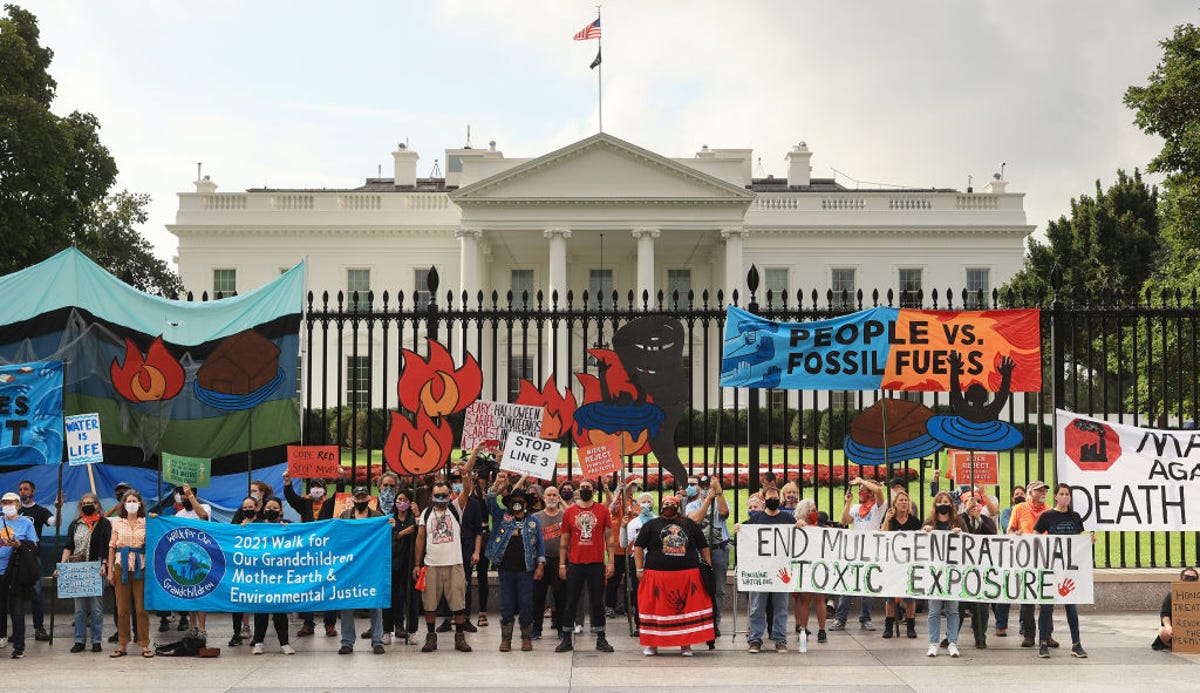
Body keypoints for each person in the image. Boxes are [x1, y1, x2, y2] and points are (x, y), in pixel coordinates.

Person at [414, 444, 480, 653]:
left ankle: (459, 637)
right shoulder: (426, 513)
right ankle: (431, 636)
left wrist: (465, 473)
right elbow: (420, 539)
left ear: (449, 494)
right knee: (430, 604)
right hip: (431, 565)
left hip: (454, 564)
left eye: (444, 494)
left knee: (458, 602)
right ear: (432, 495)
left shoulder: (455, 508)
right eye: (437, 495)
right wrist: (417, 564)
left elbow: (467, 491)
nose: (441, 498)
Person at [633, 494, 714, 656]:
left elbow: (703, 545)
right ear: (661, 506)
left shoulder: (689, 524)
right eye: (666, 503)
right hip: (657, 576)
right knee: (654, 609)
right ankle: (651, 644)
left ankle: (686, 644)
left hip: (686, 576)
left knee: (685, 610)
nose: (669, 505)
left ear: (678, 507)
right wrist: (639, 569)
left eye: (672, 503)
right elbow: (638, 547)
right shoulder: (651, 524)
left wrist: (708, 564)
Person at [486, 474, 545, 652]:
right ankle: (506, 638)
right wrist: (496, 485)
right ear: (509, 503)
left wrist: (540, 565)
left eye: (520, 501)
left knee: (526, 604)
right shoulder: (502, 517)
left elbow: (540, 545)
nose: (517, 503)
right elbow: (489, 502)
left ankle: (526, 637)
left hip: (526, 569)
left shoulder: (533, 522)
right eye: (513, 501)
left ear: (526, 504)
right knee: (507, 604)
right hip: (505, 569)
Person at [555, 477, 615, 653]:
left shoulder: (602, 511)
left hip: (596, 563)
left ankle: (601, 638)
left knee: (597, 602)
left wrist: (610, 561)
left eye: (588, 487)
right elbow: (564, 539)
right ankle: (566, 638)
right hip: (575, 563)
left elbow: (609, 537)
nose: (585, 490)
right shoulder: (570, 512)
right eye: (582, 487)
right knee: (571, 601)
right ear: (578, 491)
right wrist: (561, 564)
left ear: (593, 491)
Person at [282, 468, 344, 637]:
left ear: (324, 489)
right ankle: (308, 624)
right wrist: (287, 482)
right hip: (309, 552)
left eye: (319, 486)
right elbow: (292, 498)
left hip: (327, 552)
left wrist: (340, 478)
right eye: (313, 486)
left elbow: (339, 495)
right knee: (308, 587)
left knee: (329, 587)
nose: (316, 488)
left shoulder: (330, 504)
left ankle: (330, 624)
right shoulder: (305, 504)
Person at [1033, 483, 1090, 659]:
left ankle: (1076, 644)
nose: (1065, 497)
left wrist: (1090, 540)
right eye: (1062, 494)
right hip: (1052, 567)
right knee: (1046, 607)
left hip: (1069, 571)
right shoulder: (1047, 516)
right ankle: (1043, 643)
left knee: (1071, 608)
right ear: (1056, 497)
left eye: (1068, 494)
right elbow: (1036, 534)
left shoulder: (1075, 517)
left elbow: (1080, 541)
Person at [58, 492, 112, 653]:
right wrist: (61, 566)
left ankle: (96, 640)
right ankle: (79, 640)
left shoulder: (104, 523)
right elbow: (68, 546)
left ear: (97, 505)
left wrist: (105, 564)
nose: (87, 505)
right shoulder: (75, 524)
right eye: (84, 503)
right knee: (79, 609)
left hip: (96, 569)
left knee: (96, 608)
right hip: (77, 570)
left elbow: (107, 545)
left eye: (90, 502)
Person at [743, 486, 795, 653]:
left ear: (780, 499)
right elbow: (746, 537)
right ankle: (755, 639)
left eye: (775, 496)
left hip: (781, 572)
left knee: (781, 607)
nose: (773, 499)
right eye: (770, 497)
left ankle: (780, 639)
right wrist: (739, 529)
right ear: (764, 499)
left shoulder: (788, 519)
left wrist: (800, 525)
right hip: (762, 571)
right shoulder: (756, 518)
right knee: (757, 606)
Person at [339, 486, 387, 655]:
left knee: (375, 603)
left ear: (368, 499)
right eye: (357, 498)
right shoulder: (345, 516)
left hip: (372, 566)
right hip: (350, 566)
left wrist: (391, 525)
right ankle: (347, 642)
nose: (360, 501)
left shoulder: (377, 517)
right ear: (353, 500)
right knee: (346, 603)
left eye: (363, 498)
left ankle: (377, 641)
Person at [834, 477, 886, 631]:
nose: (860, 492)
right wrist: (848, 502)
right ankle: (840, 619)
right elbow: (844, 520)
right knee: (848, 585)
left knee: (868, 587)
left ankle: (866, 618)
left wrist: (861, 480)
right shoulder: (857, 508)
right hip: (855, 551)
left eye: (862, 490)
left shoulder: (878, 507)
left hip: (871, 551)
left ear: (869, 493)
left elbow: (878, 490)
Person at [247, 497, 295, 655]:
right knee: (261, 612)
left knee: (280, 611)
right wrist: (241, 528)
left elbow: (299, 538)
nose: (271, 510)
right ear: (263, 509)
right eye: (269, 507)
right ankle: (258, 642)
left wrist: (289, 530)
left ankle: (285, 643)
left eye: (275, 508)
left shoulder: (286, 525)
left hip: (280, 577)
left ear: (281, 511)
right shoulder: (255, 526)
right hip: (261, 576)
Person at [107, 489, 151, 658]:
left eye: (134, 501)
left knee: (141, 609)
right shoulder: (117, 522)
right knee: (122, 608)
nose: (131, 504)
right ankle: (122, 643)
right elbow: (112, 547)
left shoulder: (146, 523)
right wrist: (111, 571)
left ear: (140, 504)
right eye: (128, 501)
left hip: (141, 565)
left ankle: (144, 644)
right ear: (124, 505)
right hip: (121, 565)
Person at [686, 473, 730, 646]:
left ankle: (715, 622)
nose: (705, 490)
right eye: (702, 487)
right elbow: (695, 520)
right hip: (700, 551)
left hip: (719, 549)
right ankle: (701, 622)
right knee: (700, 588)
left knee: (718, 589)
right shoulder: (692, 505)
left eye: (708, 487)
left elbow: (725, 512)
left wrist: (718, 492)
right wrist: (707, 501)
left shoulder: (721, 501)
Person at [165, 484, 211, 638]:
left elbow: (203, 516)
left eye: (186, 495)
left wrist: (190, 495)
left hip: (203, 557)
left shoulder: (205, 507)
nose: (183, 498)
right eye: (182, 495)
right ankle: (193, 628)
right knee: (190, 594)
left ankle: (203, 628)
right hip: (185, 556)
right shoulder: (179, 515)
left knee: (201, 594)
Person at [1009, 479, 1050, 648]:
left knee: (1047, 599)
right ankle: (1029, 634)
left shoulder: (1049, 511)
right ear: (1030, 493)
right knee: (1027, 600)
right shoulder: (1019, 509)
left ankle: (1047, 634)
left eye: (1045, 491)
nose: (1043, 493)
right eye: (1039, 490)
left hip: (1045, 559)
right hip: (1025, 560)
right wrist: (1016, 534)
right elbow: (1010, 530)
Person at [16, 479, 57, 642]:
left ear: (33, 491)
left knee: (37, 594)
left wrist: (58, 509)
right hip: (13, 560)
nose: (22, 492)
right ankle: (17, 629)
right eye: (20, 489)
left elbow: (54, 522)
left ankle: (39, 628)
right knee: (15, 595)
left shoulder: (40, 511)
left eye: (25, 489)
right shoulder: (13, 513)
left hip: (32, 559)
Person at [922, 491, 962, 658]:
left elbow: (970, 543)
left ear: (951, 505)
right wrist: (925, 531)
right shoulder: (930, 522)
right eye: (940, 502)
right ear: (935, 505)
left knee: (953, 610)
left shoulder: (958, 522)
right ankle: (933, 643)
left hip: (953, 572)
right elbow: (920, 544)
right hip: (935, 573)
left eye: (946, 501)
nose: (943, 504)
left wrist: (960, 534)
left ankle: (952, 642)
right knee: (934, 610)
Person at [0, 491, 38, 658]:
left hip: (15, 572)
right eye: (4, 503)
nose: (7, 506)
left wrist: (19, 544)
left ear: (18, 504)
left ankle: (19, 646)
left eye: (11, 503)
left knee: (16, 609)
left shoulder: (26, 523)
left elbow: (34, 546)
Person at [957, 490, 997, 648]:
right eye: (970, 502)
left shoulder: (986, 521)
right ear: (963, 505)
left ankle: (980, 636)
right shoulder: (959, 520)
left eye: (977, 502)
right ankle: (951, 636)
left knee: (981, 607)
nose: (974, 505)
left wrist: (978, 519)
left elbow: (991, 534)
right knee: (958, 607)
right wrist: (967, 516)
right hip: (962, 570)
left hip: (981, 570)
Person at [881, 491, 920, 640]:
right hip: (892, 563)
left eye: (906, 500)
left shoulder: (915, 522)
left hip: (909, 563)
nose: (904, 503)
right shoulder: (890, 521)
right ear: (895, 504)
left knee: (910, 597)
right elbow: (882, 536)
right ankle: (888, 626)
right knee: (890, 597)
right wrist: (886, 519)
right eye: (901, 500)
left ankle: (911, 626)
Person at [385, 488, 419, 645]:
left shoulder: (414, 519)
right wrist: (405, 531)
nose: (402, 503)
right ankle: (387, 630)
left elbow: (420, 534)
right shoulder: (391, 519)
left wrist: (417, 514)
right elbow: (391, 538)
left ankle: (412, 631)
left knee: (411, 598)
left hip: (410, 564)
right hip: (393, 564)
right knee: (391, 597)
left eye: (405, 500)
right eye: (399, 500)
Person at [532, 485, 565, 640]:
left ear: (559, 498)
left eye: (554, 495)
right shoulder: (536, 517)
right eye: (549, 495)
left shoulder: (565, 516)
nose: (551, 497)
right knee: (538, 597)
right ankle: (536, 629)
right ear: (544, 498)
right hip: (541, 561)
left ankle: (561, 628)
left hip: (560, 561)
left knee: (559, 597)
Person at [605, 475, 641, 620]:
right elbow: (612, 509)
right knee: (614, 578)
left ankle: (629, 607)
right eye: (632, 485)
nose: (634, 488)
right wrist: (620, 492)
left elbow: (640, 514)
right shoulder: (619, 500)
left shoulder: (634, 501)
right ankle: (610, 606)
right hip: (619, 546)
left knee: (631, 579)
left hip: (632, 547)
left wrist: (635, 513)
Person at [992, 485, 1026, 637]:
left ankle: (1024, 625)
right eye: (1017, 494)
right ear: (1012, 497)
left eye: (1022, 493)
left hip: (1026, 555)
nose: (1019, 496)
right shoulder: (1007, 512)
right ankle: (1001, 624)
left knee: (1025, 591)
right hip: (1010, 555)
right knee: (1006, 589)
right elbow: (1007, 527)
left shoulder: (1029, 511)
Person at [104, 481, 134, 644]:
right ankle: (121, 632)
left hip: (137, 565)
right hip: (118, 563)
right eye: (118, 492)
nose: (121, 493)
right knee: (119, 603)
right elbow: (100, 522)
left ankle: (138, 632)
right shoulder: (112, 520)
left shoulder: (142, 518)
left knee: (137, 603)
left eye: (124, 491)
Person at [229, 495, 260, 646]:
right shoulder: (237, 524)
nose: (248, 509)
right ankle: (236, 633)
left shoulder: (262, 523)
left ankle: (257, 636)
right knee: (238, 602)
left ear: (256, 508)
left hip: (258, 569)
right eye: (245, 507)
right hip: (241, 568)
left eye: (250, 507)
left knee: (257, 602)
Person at [1153, 567, 1200, 651]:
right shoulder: (1172, 595)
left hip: (1195, 632)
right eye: (1186, 577)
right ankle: (1175, 645)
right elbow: (1165, 614)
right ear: (1181, 579)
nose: (1189, 580)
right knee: (1163, 632)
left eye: (1193, 578)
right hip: (1176, 630)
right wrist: (1168, 626)